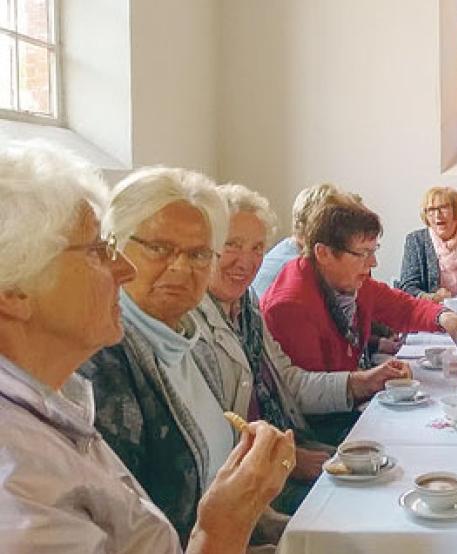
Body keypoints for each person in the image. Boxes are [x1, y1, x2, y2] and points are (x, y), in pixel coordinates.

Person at [0, 143, 293, 553]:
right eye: (99, 251)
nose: (123, 267)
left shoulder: (61, 394)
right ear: (13, 290)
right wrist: (223, 528)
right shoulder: (18, 478)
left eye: (197, 254)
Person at [79, 166, 286, 546]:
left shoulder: (191, 340)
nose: (180, 268)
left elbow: (223, 488)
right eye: (158, 248)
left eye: (198, 254)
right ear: (114, 248)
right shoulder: (100, 360)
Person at [197, 183, 409, 512]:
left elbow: (289, 382)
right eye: (232, 245)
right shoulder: (194, 323)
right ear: (205, 247)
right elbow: (210, 432)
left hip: (288, 443)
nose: (247, 261)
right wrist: (290, 461)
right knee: (375, 500)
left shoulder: (246, 305)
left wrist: (361, 381)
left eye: (257, 248)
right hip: (248, 482)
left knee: (395, 465)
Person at [261, 198, 457, 374]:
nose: (373, 262)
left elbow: (404, 308)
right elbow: (309, 394)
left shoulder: (349, 281)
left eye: (374, 251)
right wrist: (366, 381)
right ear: (324, 253)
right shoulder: (291, 304)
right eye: (363, 253)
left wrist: (445, 317)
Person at [399, 186, 457, 302]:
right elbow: (407, 287)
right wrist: (431, 298)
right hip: (431, 315)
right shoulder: (416, 241)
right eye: (431, 210)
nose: (437, 215)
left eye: (443, 208)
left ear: (455, 210)